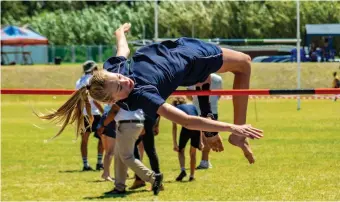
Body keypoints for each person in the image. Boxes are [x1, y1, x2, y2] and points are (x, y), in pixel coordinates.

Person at [36, 23, 263, 170]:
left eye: (119, 79)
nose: (125, 81)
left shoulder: (116, 71)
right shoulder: (140, 95)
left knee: (205, 81)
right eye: (120, 87)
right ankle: (236, 135)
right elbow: (185, 120)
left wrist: (119, 34)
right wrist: (233, 127)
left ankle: (211, 127)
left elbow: (122, 51)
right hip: (190, 59)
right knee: (244, 63)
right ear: (115, 100)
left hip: (175, 48)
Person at [105, 107, 163, 195]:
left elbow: (114, 110)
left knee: (127, 157)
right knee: (119, 156)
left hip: (127, 124)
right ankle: (119, 187)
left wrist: (103, 125)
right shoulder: (134, 94)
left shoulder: (121, 94)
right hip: (133, 123)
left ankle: (154, 178)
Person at [187, 73, 222, 169]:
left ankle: (203, 161)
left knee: (200, 137)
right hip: (213, 110)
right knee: (207, 137)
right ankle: (205, 160)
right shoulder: (218, 78)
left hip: (196, 110)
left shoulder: (193, 76)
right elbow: (219, 95)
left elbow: (189, 96)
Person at [76, 60, 104, 171]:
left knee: (84, 140)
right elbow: (95, 99)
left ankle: (85, 164)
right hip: (95, 113)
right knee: (103, 138)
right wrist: (104, 112)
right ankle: (99, 162)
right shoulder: (92, 80)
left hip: (84, 113)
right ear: (93, 69)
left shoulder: (79, 81)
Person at [172, 97, 203, 181]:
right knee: (193, 153)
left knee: (181, 150)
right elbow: (199, 121)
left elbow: (174, 127)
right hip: (196, 127)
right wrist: (201, 141)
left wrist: (175, 143)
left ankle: (183, 170)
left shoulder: (175, 109)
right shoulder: (192, 106)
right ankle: (192, 176)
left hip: (186, 128)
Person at [96, 104, 119, 181]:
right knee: (110, 152)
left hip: (103, 124)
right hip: (111, 125)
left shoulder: (107, 105)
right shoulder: (118, 103)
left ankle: (106, 174)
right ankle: (106, 174)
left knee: (108, 152)